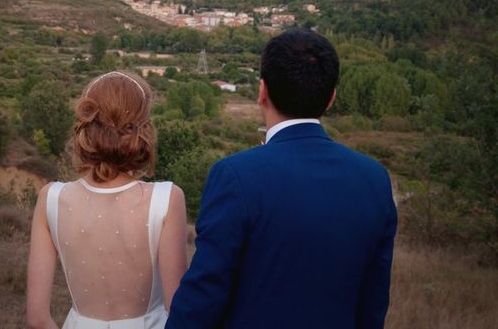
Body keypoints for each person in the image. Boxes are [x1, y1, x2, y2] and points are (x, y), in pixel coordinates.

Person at [166, 29, 397, 329]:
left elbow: (202, 300)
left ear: (262, 92)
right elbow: (373, 305)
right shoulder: (375, 179)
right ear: (331, 99)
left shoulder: (235, 176)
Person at [27, 71, 187, 329]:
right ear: (142, 129)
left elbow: (37, 319)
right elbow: (179, 309)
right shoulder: (167, 199)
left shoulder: (51, 198)